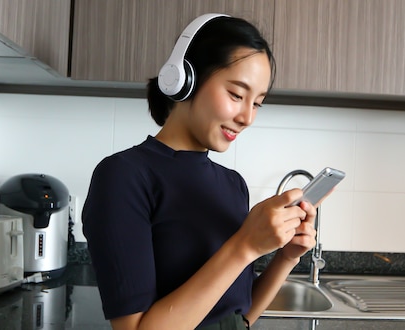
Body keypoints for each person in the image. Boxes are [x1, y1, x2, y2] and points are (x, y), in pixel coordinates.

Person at [82, 13, 317, 330]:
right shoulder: (123, 176)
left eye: (257, 103)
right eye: (236, 94)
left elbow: (238, 316)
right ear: (185, 79)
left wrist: (287, 256)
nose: (247, 117)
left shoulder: (233, 184)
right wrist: (244, 245)